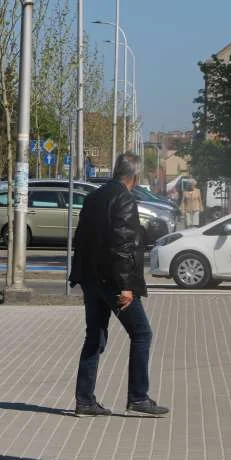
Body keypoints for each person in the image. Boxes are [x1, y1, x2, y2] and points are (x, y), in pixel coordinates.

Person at [69, 153, 169, 418]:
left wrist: (79, 276)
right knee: (142, 334)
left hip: (92, 280)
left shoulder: (93, 198)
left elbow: (80, 239)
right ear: (134, 177)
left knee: (95, 337)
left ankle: (85, 400)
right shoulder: (124, 199)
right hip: (114, 282)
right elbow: (123, 245)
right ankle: (138, 397)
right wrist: (126, 286)